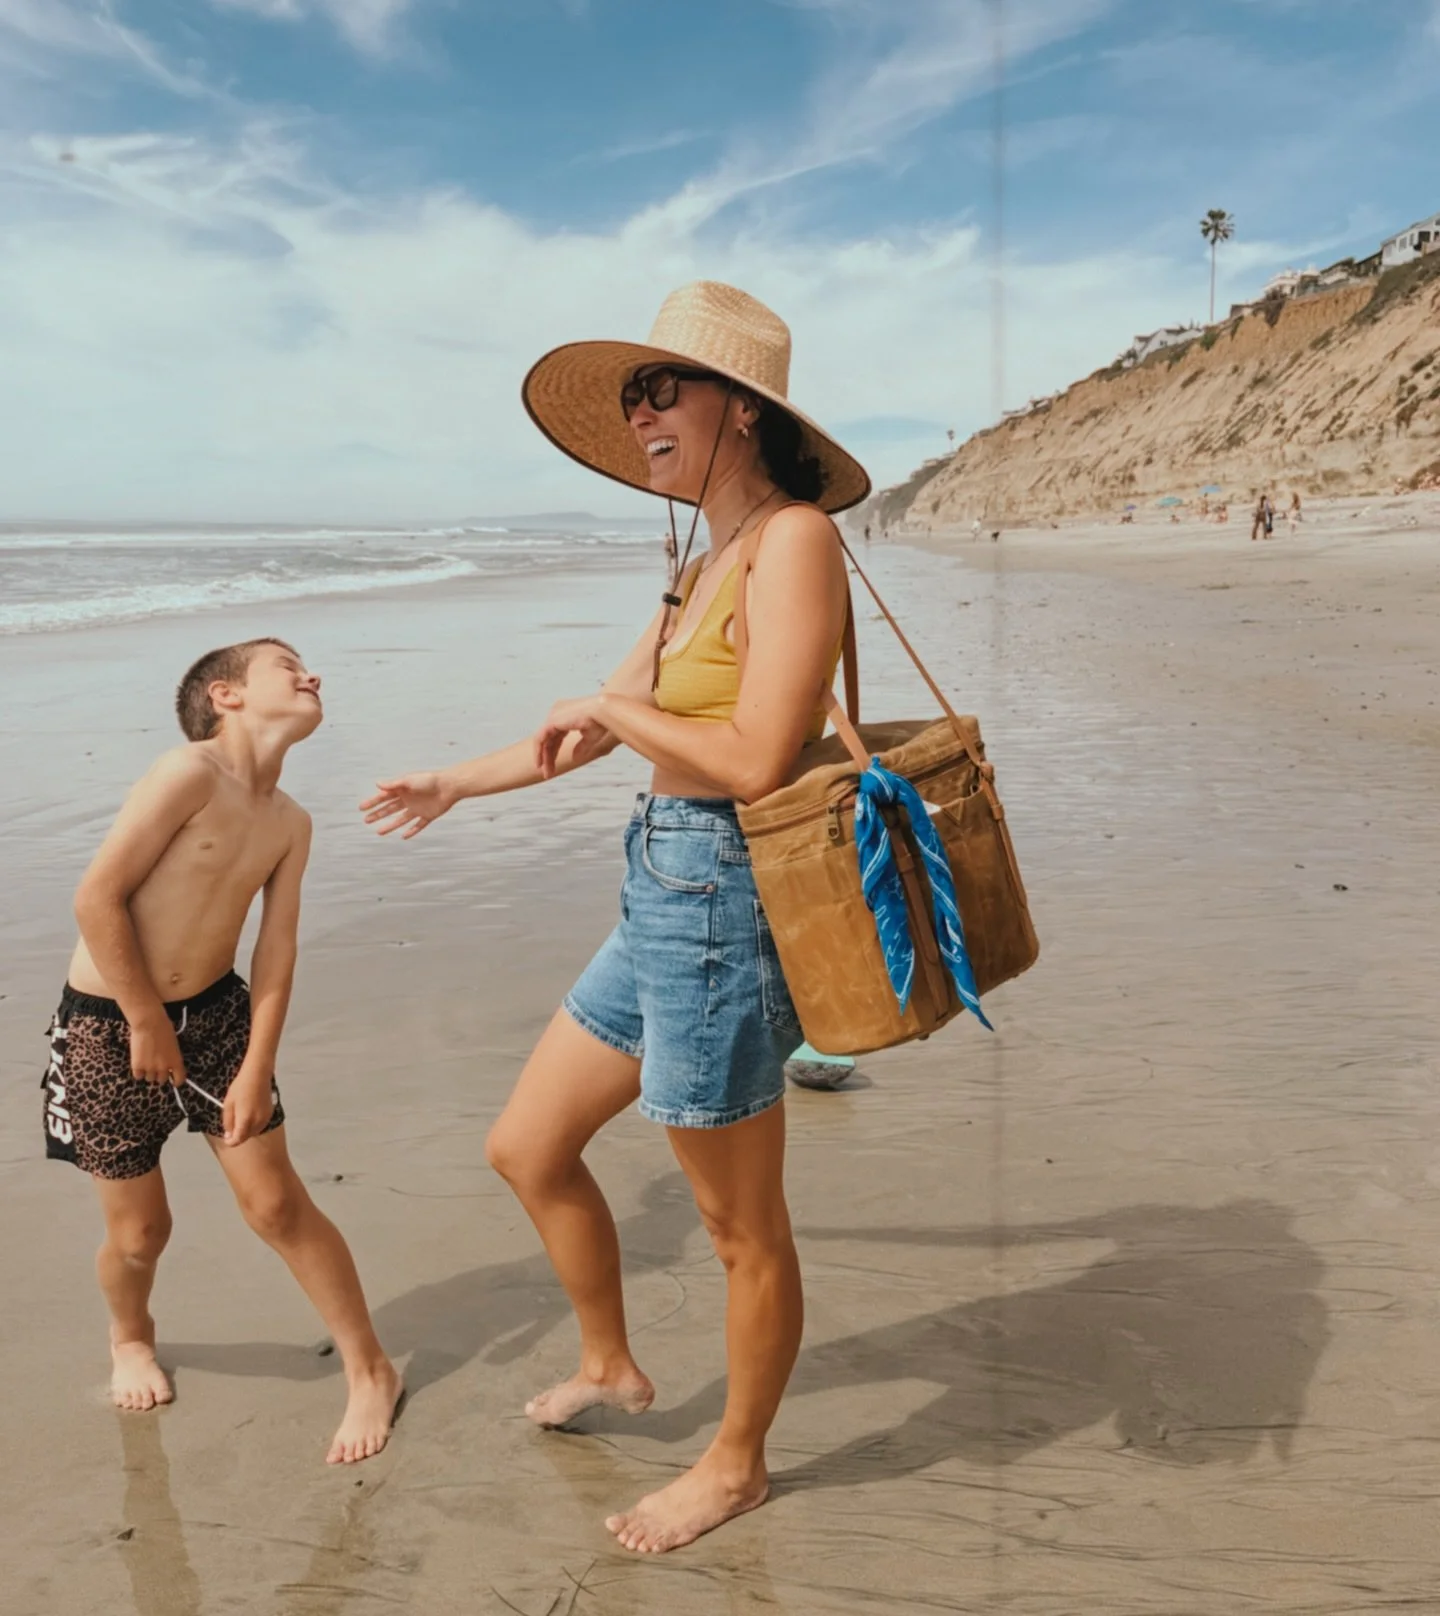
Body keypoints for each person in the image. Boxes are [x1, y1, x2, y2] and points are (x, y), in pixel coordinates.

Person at [360, 281, 869, 1553]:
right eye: (635, 392)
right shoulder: (696, 562)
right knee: (528, 1145)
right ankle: (613, 1362)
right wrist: (454, 783)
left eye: (665, 388)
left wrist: (615, 708)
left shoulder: (794, 541)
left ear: (740, 409)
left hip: (727, 902)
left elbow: (754, 755)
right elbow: (596, 726)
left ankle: (738, 1461)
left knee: (741, 1225)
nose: (643, 412)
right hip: (659, 887)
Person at [46, 639, 402, 1462]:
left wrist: (256, 1067)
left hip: (215, 1016)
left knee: (276, 1205)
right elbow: (96, 897)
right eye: (288, 666)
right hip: (110, 1022)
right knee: (141, 1234)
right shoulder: (188, 774)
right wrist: (143, 1019)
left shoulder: (289, 822)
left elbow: (276, 951)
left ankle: (370, 1369)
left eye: (312, 665)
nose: (312, 674)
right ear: (227, 694)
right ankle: (131, 1334)